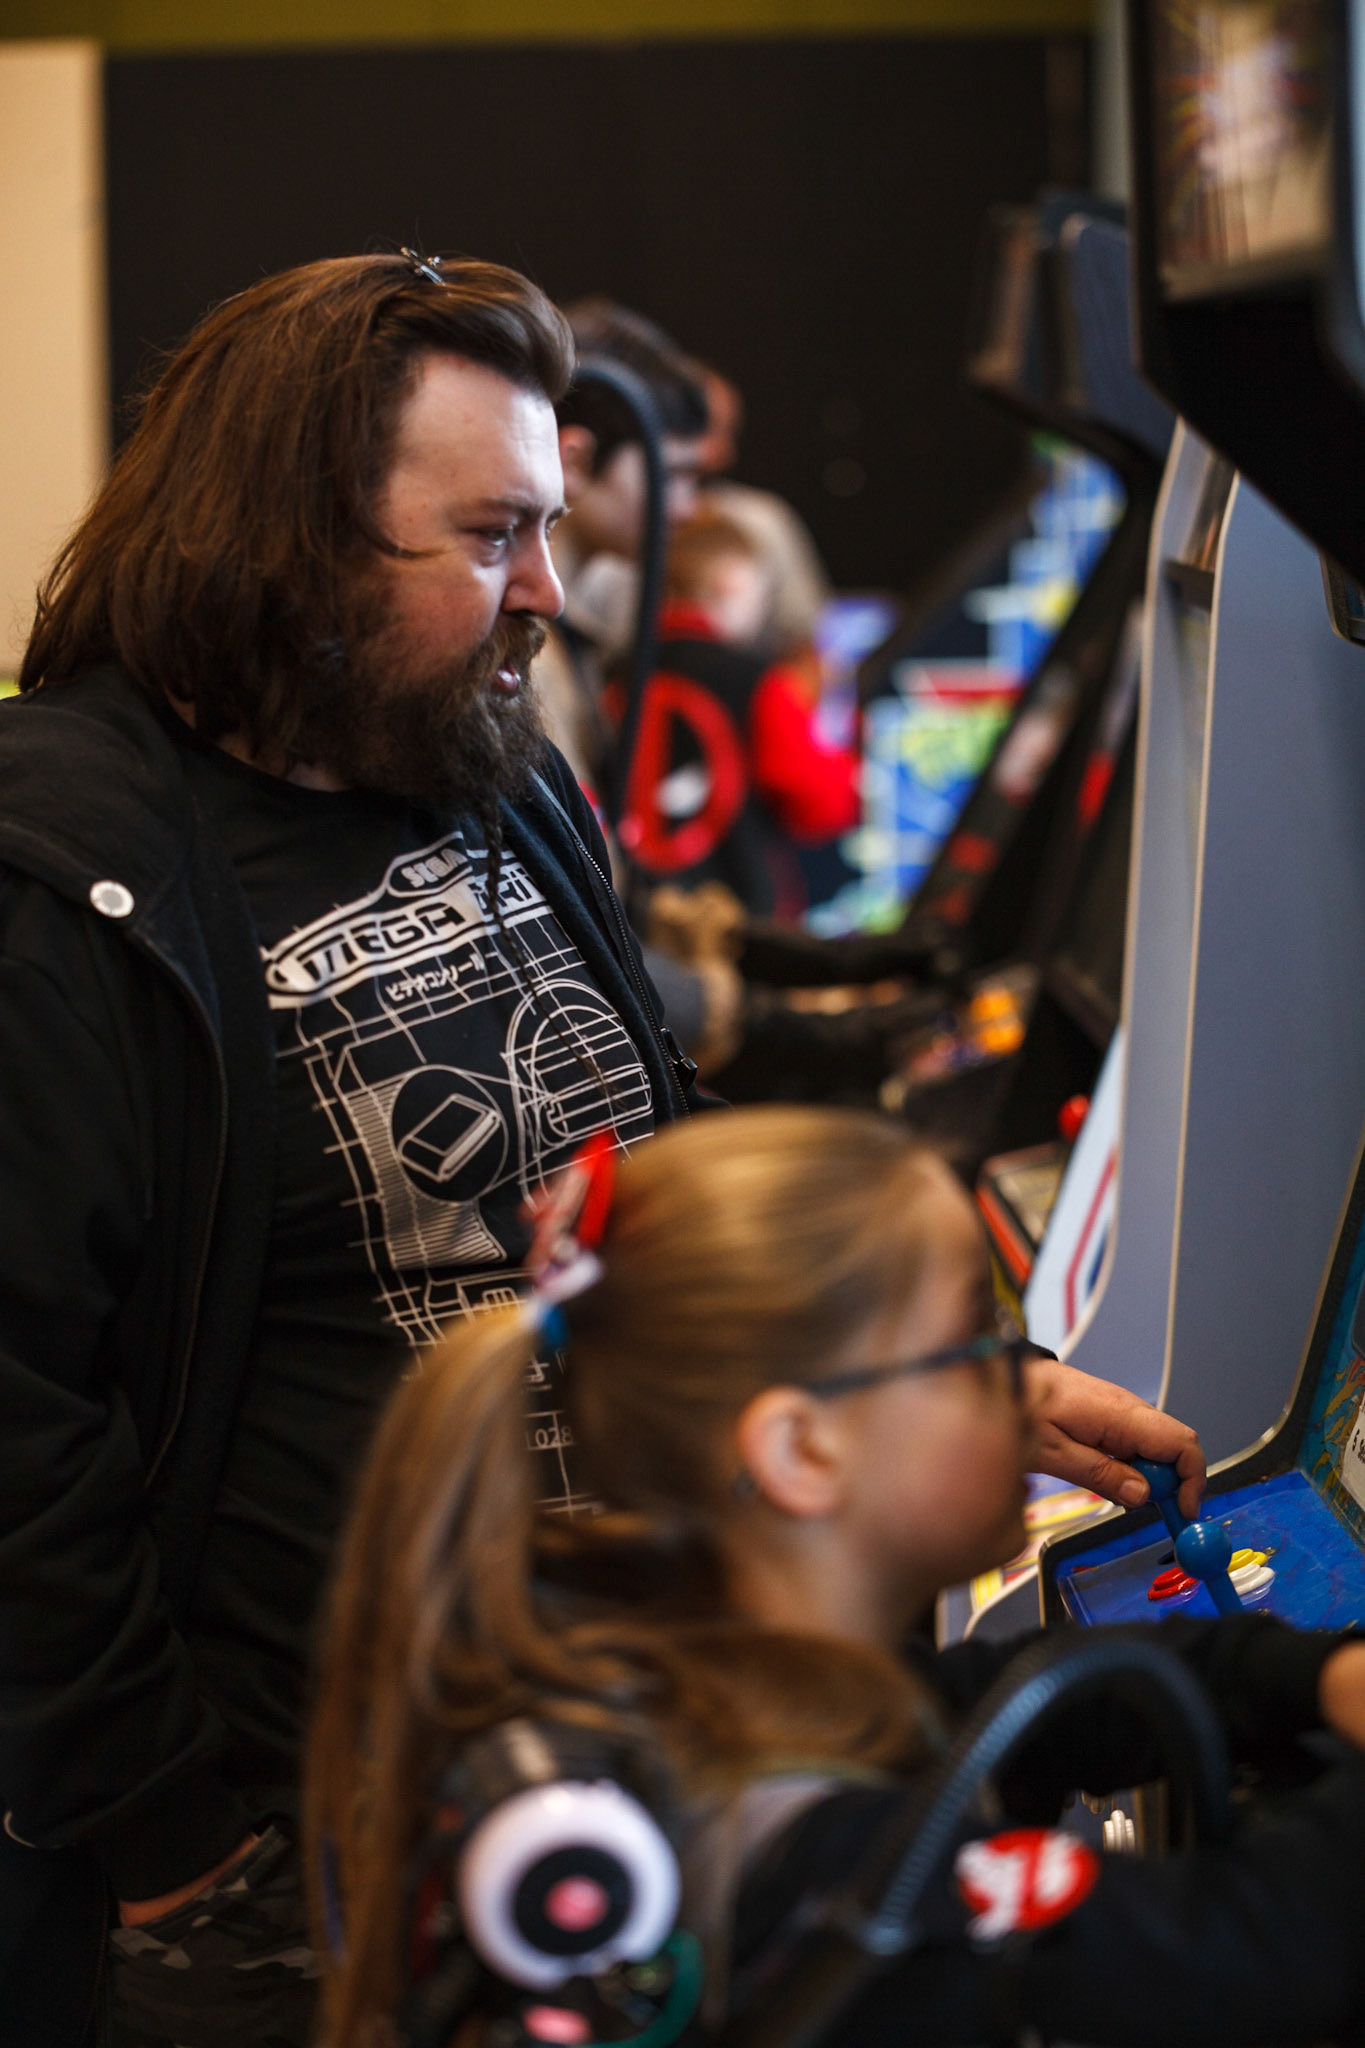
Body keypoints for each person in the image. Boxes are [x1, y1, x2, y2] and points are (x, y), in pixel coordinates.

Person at [0, 251, 705, 2048]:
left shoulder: (491, 767)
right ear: (289, 547)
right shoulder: (61, 870)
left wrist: (928, 1363)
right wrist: (173, 1850)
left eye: (549, 529)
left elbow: (646, 1135)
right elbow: (17, 1424)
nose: (547, 592)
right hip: (294, 1852)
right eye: (490, 538)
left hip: (602, 1764)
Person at [309, 1105, 1365, 2048]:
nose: (1026, 1387)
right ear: (802, 1451)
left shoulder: (696, 1676)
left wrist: (1298, 1674)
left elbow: (1008, 1704)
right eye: (974, 1346)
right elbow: (1260, 1950)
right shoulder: (820, 1873)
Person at [620, 509, 859, 916]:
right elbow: (822, 804)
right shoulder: (758, 680)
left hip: (639, 909)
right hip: (737, 914)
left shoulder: (616, 671)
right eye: (762, 598)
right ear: (731, 585)